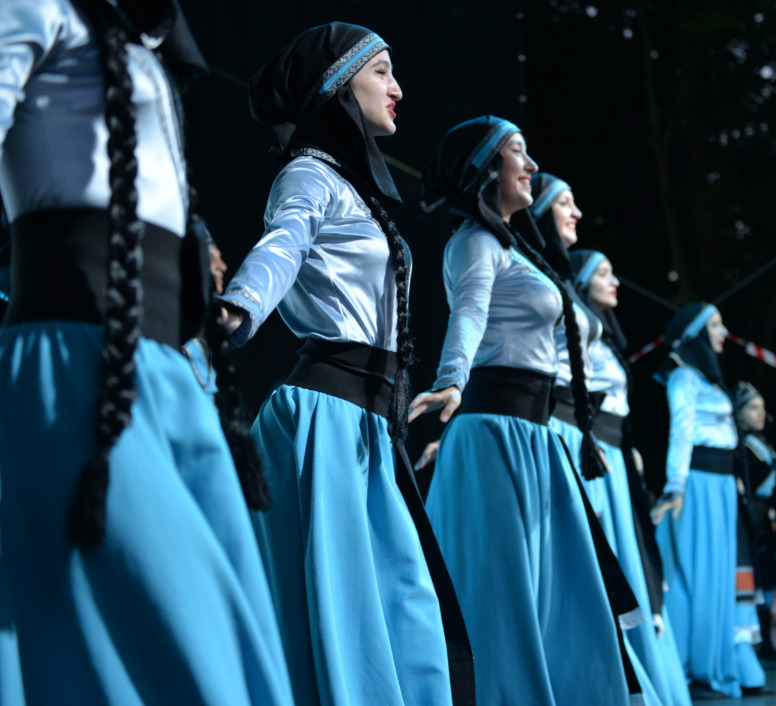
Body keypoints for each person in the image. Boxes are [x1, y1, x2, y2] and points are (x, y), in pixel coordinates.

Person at [0, 0, 293, 703]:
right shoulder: (35, 8)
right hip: (76, 363)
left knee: (219, 638)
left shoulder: (130, 36)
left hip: (162, 372)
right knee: (169, 644)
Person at [217, 23, 470, 705]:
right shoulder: (307, 175)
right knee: (349, 606)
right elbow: (283, 244)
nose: (398, 87)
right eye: (382, 70)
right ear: (336, 85)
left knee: (402, 597)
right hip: (327, 417)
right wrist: (236, 308)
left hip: (368, 421)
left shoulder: (348, 187)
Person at [410, 116, 636, 704]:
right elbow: (469, 313)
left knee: (554, 587)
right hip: (495, 434)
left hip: (536, 436)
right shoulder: (474, 242)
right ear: (486, 168)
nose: (531, 165)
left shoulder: (519, 251)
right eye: (518, 152)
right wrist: (451, 381)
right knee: (502, 590)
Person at [571, 248, 693, 706]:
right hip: (597, 455)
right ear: (583, 282)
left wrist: (628, 448)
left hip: (618, 456)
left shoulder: (604, 341)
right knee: (611, 553)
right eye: (603, 273)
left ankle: (644, 666)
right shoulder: (578, 334)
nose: (615, 280)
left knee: (633, 554)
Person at [652, 302, 762, 697]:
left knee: (718, 575)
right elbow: (681, 432)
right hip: (697, 484)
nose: (723, 332)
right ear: (697, 334)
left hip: (720, 485)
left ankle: (711, 661)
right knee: (695, 574)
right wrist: (675, 485)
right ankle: (690, 664)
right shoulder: (684, 378)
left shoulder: (708, 382)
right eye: (715, 325)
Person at [734, 381, 776, 666]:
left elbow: (773, 490)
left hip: (764, 518)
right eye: (753, 408)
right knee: (755, 578)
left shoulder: (762, 445)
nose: (760, 413)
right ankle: (755, 645)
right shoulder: (740, 447)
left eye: (762, 407)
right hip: (750, 519)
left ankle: (767, 645)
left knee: (768, 579)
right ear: (739, 413)